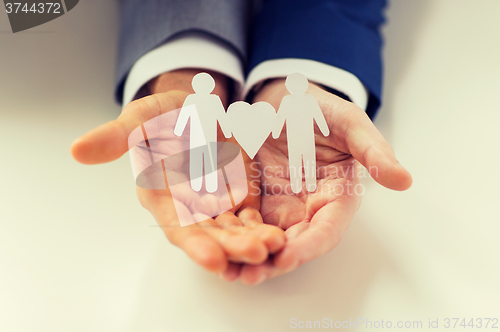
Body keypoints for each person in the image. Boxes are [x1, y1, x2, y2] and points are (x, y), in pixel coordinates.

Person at [71, 0, 412, 285]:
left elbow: (299, 121)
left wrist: (299, 89)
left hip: (289, 139)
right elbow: (200, 121)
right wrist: (180, 76)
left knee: (299, 164)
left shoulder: (297, 103)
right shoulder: (194, 106)